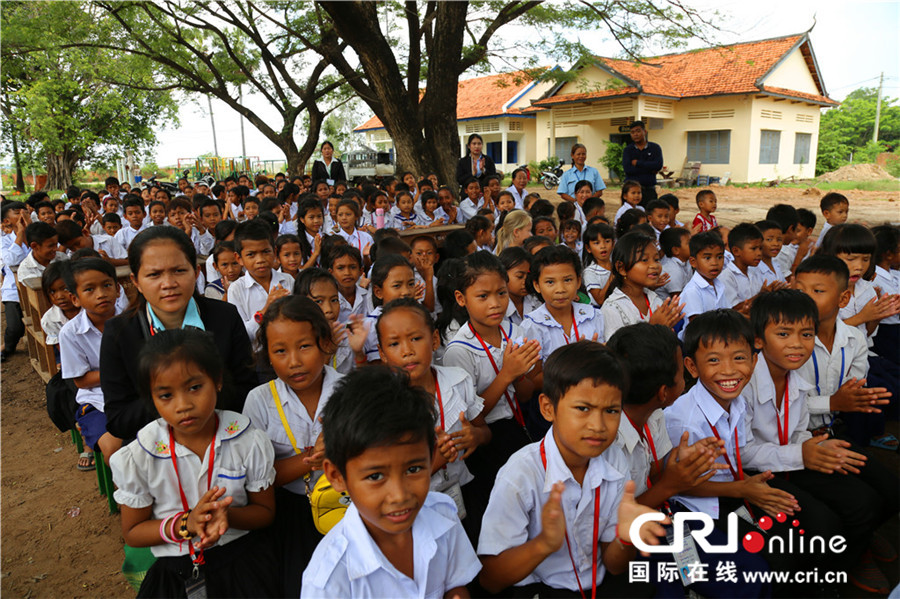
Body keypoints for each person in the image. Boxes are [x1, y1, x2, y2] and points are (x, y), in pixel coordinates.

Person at [477, 341, 667, 596]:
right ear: (548, 408)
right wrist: (543, 545)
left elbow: (614, 565)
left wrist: (625, 538)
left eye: (611, 410)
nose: (598, 425)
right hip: (543, 589)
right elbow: (490, 579)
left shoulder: (614, 460)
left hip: (600, 584)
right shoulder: (521, 474)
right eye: (583, 409)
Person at [744, 289, 896, 594]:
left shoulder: (796, 379)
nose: (797, 344)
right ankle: (828, 577)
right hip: (760, 471)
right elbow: (742, 453)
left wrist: (818, 447)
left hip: (793, 455)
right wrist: (803, 454)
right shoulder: (743, 382)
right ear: (758, 340)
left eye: (806, 334)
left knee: (885, 489)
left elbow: (798, 430)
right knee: (838, 515)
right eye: (784, 333)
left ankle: (854, 551)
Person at [110, 328, 278, 598]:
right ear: (151, 398)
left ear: (218, 381)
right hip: (176, 575)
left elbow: (265, 512)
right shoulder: (140, 456)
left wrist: (227, 516)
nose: (183, 405)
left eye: (195, 387)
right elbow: (133, 532)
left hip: (243, 566)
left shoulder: (248, 440)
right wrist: (185, 524)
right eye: (166, 395)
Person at [607, 323, 769, 598]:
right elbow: (617, 522)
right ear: (664, 392)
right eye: (682, 372)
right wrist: (671, 485)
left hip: (666, 518)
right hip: (631, 539)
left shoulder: (654, 415)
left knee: (752, 574)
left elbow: (657, 473)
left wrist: (681, 462)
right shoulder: (609, 443)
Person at [302, 366, 482, 597]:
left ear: (431, 456)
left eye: (414, 469)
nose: (399, 495)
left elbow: (455, 585)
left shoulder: (443, 513)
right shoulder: (327, 581)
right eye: (375, 476)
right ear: (337, 476)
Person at [100, 227, 257, 442]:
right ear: (136, 281)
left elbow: (248, 390)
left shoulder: (225, 317)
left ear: (197, 272)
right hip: (155, 447)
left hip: (224, 437)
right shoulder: (119, 333)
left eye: (179, 271)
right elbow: (118, 419)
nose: (168, 284)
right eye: (154, 274)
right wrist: (171, 398)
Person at [242, 296, 343, 596]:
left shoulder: (348, 391)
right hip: (289, 514)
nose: (294, 362)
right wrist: (311, 459)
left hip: (343, 507)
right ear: (267, 355)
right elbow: (257, 480)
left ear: (325, 343)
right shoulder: (259, 402)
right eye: (280, 351)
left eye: (304, 347)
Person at [376, 299, 491, 537]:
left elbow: (485, 431)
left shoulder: (458, 380)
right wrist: (438, 458)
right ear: (382, 354)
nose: (407, 350)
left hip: (463, 491)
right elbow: (390, 475)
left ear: (435, 340)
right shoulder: (381, 405)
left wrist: (475, 436)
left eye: (416, 338)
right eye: (394, 343)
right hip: (415, 506)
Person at [443, 251, 541, 491]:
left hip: (520, 421)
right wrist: (507, 374)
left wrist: (518, 375)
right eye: (483, 296)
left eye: (501, 293)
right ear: (461, 298)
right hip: (485, 436)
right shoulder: (459, 351)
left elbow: (526, 394)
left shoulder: (514, 332)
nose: (495, 303)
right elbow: (470, 415)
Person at [523, 245, 606, 364]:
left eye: (567, 280)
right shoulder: (532, 326)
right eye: (550, 282)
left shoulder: (594, 316)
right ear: (537, 285)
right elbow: (535, 377)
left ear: (578, 281)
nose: (560, 289)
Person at [227, 220, 295, 350]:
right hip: (257, 357)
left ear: (274, 252)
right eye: (251, 254)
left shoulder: (288, 280)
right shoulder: (236, 289)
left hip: (288, 349)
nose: (260, 260)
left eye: (265, 252)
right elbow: (242, 334)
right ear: (239, 258)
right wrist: (265, 310)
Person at [600, 232, 684, 338]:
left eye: (656, 259)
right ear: (621, 268)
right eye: (644, 260)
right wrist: (654, 327)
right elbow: (618, 351)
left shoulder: (654, 299)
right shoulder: (612, 309)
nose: (654, 265)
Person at [679, 231, 729, 339]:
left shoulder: (719, 286)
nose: (715, 263)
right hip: (700, 341)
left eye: (719, 257)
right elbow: (697, 327)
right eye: (707, 258)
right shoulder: (692, 291)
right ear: (693, 262)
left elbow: (726, 315)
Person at [325, 245, 371, 323]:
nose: (347, 273)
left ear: (361, 271)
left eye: (353, 267)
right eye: (340, 268)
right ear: (331, 272)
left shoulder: (368, 296)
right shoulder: (327, 300)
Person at [622, 121, 663, 205]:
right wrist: (650, 169)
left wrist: (638, 163)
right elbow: (628, 169)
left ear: (645, 132)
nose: (635, 134)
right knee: (632, 216)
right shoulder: (628, 150)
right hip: (632, 192)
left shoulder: (655, 148)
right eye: (632, 132)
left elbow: (658, 165)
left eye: (638, 131)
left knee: (651, 215)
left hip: (649, 190)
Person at [557, 143, 606, 208]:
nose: (581, 156)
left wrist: (589, 201)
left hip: (590, 208)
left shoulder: (594, 171)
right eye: (578, 154)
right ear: (572, 155)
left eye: (583, 154)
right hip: (573, 208)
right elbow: (563, 194)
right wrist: (577, 202)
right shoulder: (567, 174)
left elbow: (600, 191)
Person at [582, 221, 615, 306]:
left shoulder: (617, 265)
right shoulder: (590, 272)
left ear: (613, 243)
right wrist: (613, 274)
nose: (603, 246)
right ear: (588, 248)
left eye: (607, 241)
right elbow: (600, 300)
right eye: (597, 243)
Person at [655, 227, 692, 300]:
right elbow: (678, 299)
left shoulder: (687, 261)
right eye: (689, 243)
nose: (694, 245)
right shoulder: (673, 271)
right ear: (676, 250)